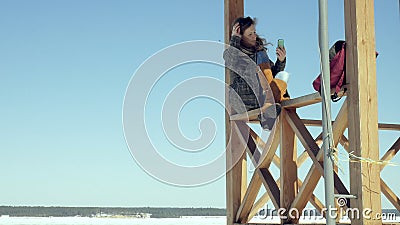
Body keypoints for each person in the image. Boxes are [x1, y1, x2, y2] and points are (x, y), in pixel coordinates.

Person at [224, 16, 290, 130]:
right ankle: (268, 111)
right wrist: (235, 39)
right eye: (250, 34)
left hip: (260, 98)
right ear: (240, 36)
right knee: (256, 66)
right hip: (242, 99)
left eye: (254, 32)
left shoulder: (259, 53)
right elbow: (230, 61)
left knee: (282, 77)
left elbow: (271, 74)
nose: (254, 36)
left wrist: (281, 61)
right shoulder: (233, 52)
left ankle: (267, 114)